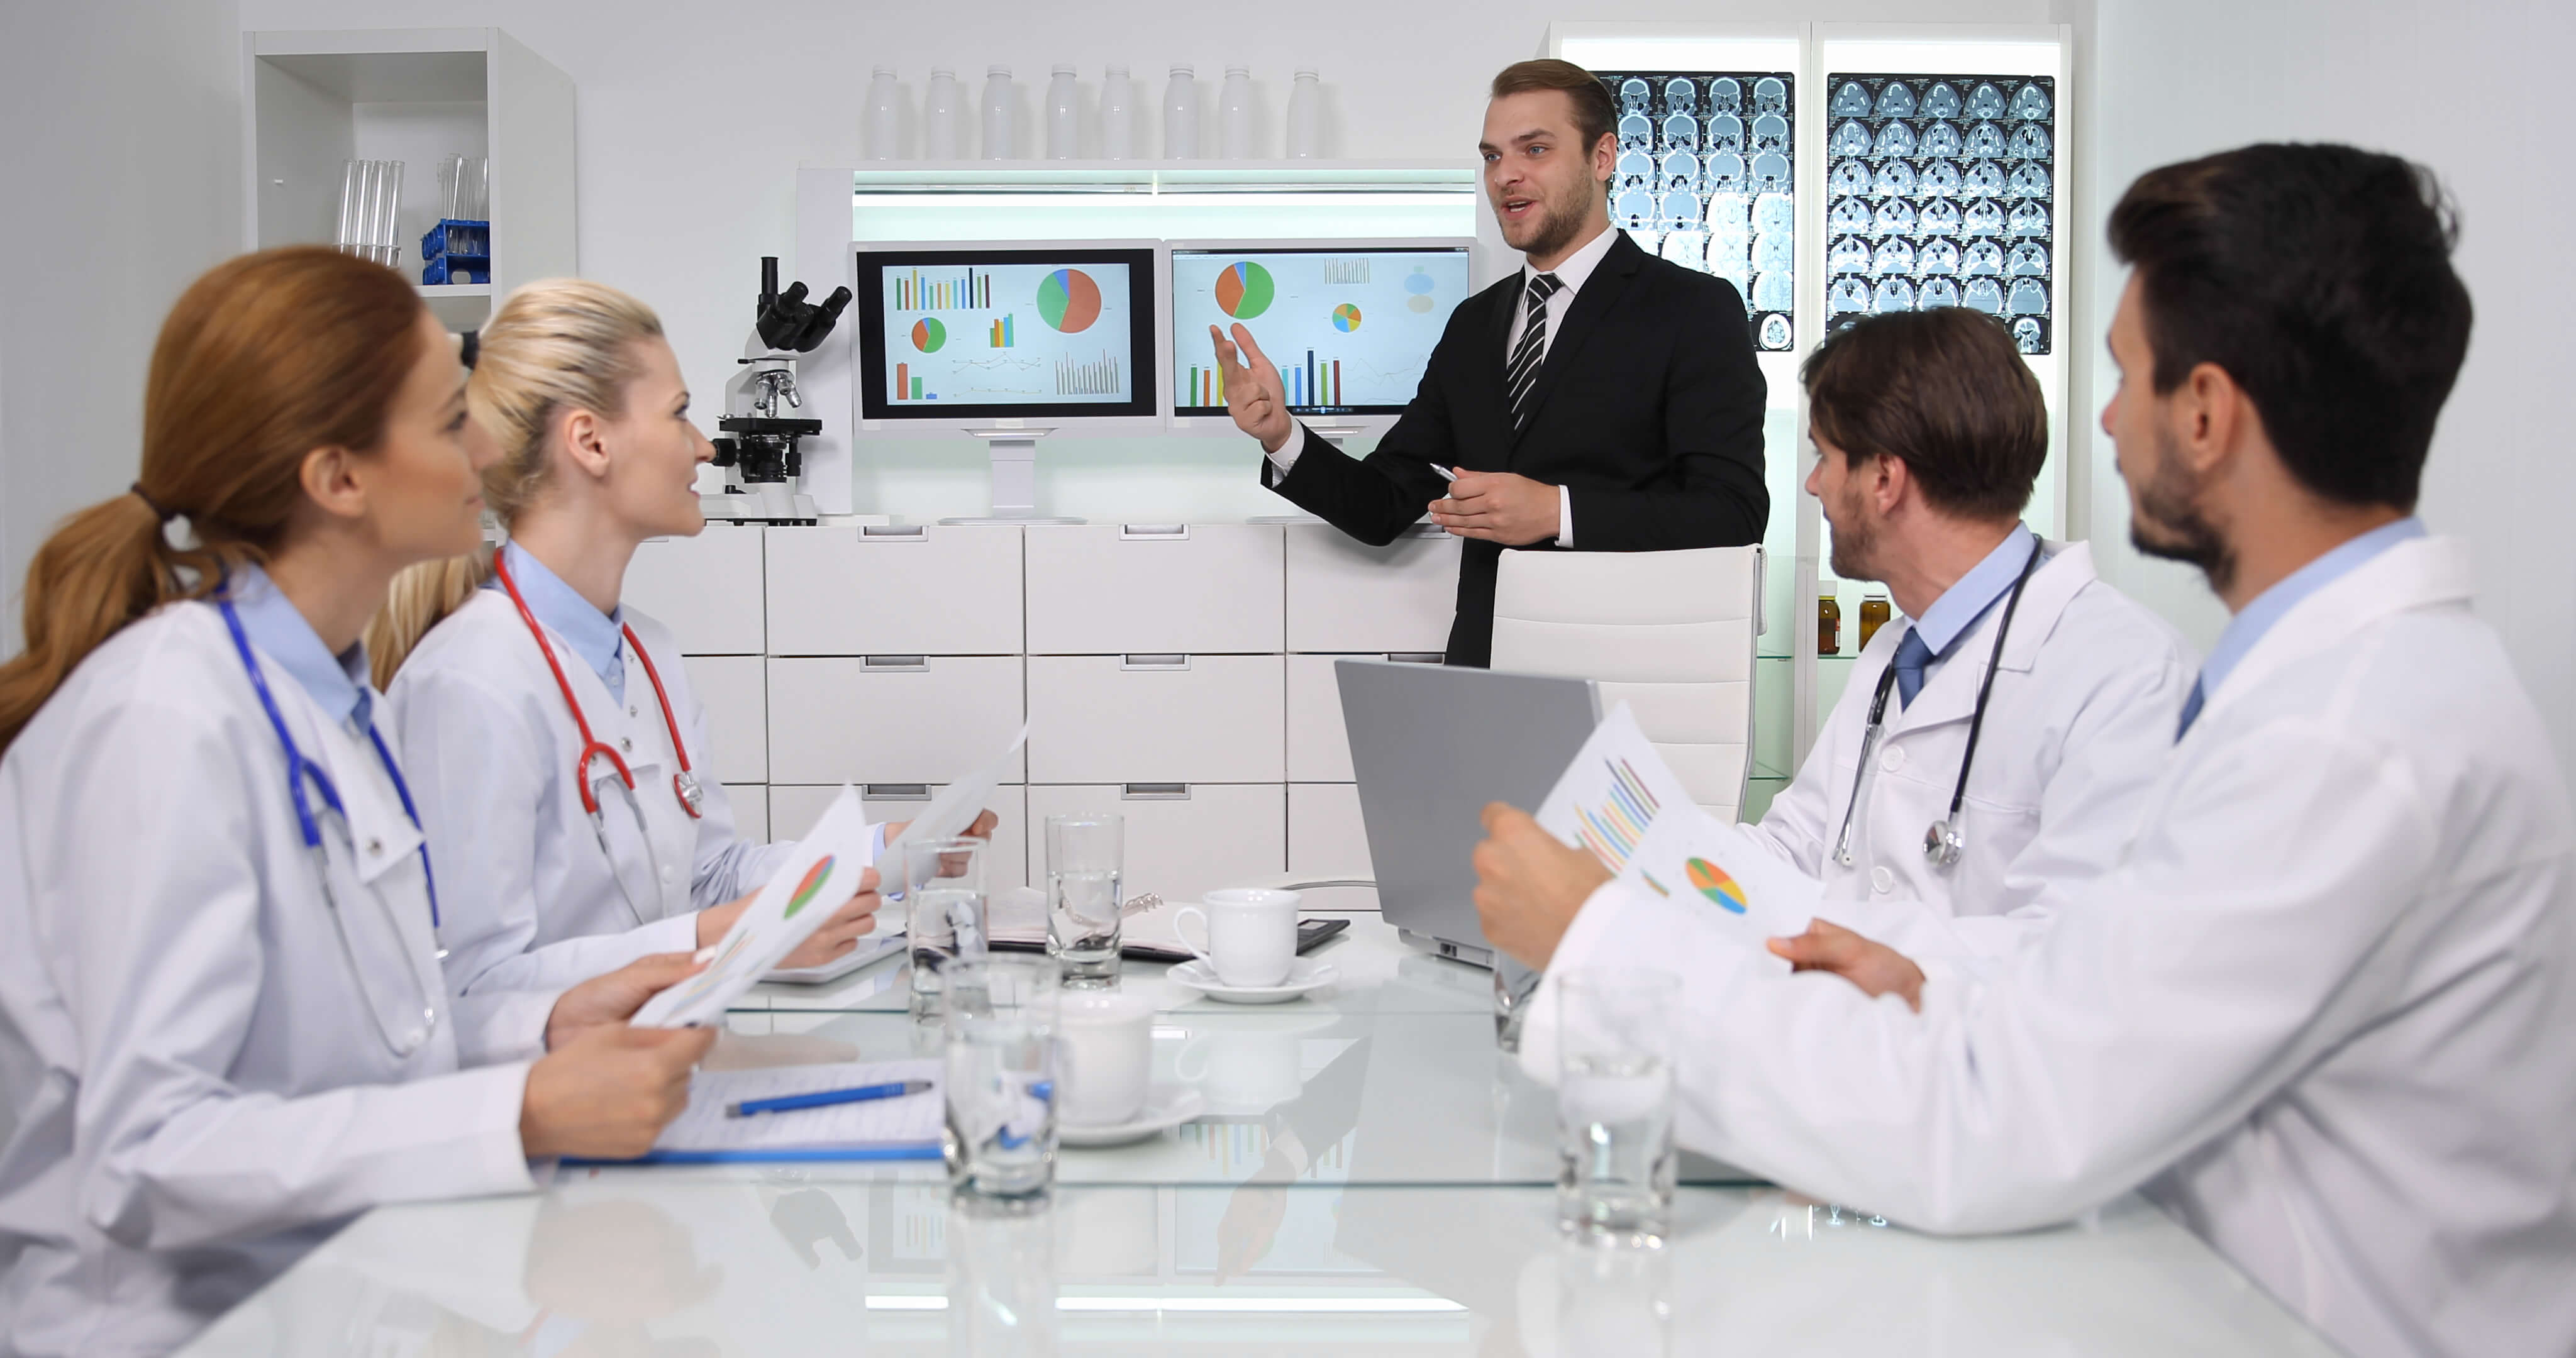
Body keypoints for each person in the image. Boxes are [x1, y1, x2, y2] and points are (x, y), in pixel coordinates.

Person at [1469, 144, 2576, 1357]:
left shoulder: (2346, 741)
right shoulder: (2341, 695)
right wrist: (1934, 979)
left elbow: (1993, 1120)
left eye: (2126, 376)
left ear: (2204, 412)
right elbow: (2105, 996)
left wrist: (1601, 944)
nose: (2101, 419)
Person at [0, 248, 721, 1357]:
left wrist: (542, 1024)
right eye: (447, 423)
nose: (487, 445)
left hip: (347, 1289)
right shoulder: (165, 720)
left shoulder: (340, 705)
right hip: (174, 1329)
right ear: (339, 479)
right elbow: (147, 1155)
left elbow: (377, 1046)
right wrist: (516, 1110)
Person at [370, 280, 991, 998]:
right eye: (680, 414)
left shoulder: (647, 653)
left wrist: (895, 850)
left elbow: (712, 877)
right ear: (591, 441)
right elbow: (470, 990)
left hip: (660, 1056)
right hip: (547, 1092)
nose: (704, 446)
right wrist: (712, 939)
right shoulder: (469, 679)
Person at [1209, 58, 1767, 666]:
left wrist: (1557, 512)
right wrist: (1281, 435)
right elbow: (1384, 504)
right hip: (1487, 670)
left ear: (1602, 158)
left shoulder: (1693, 309)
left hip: (1633, 673)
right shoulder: (1474, 324)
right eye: (1494, 157)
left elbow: (1732, 513)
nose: (1507, 176)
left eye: (1535, 149)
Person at [1743, 307, 2190, 951]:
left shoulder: (2128, 678)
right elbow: (1795, 845)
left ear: (1884, 479)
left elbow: (2079, 954)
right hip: (1857, 1032)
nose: (1812, 485)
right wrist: (1631, 865)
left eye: (1824, 456)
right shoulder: (1896, 654)